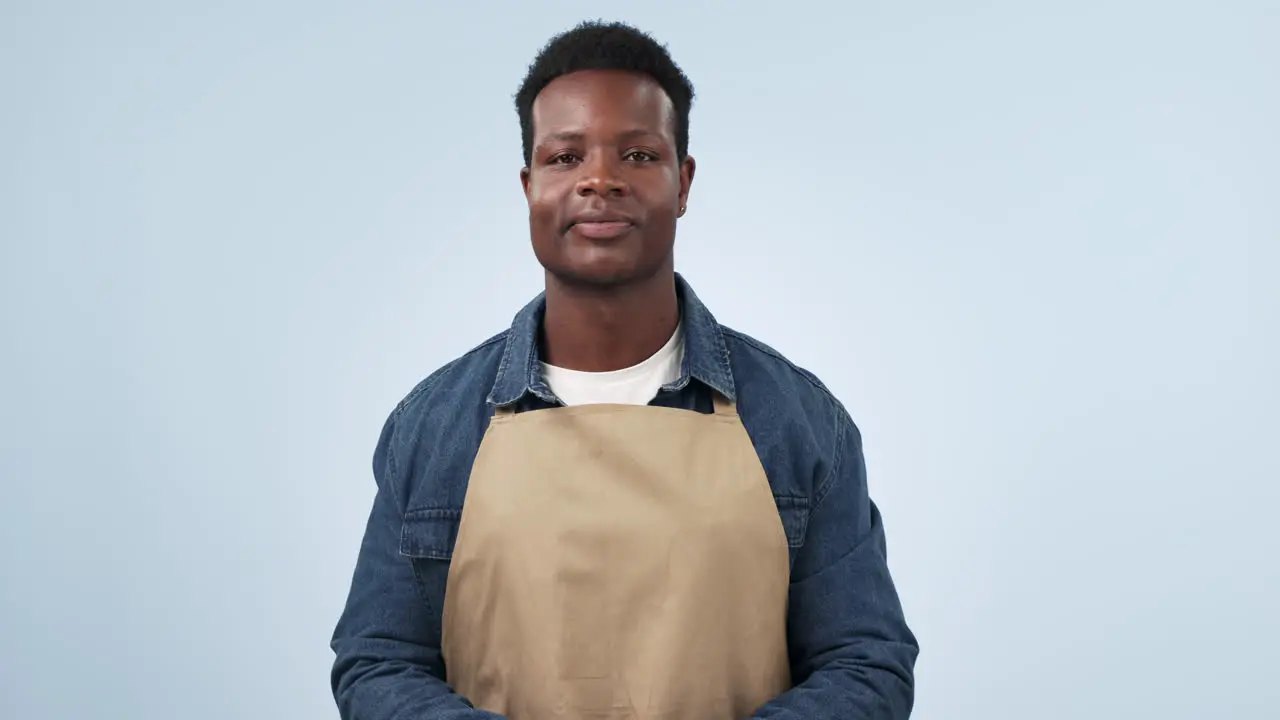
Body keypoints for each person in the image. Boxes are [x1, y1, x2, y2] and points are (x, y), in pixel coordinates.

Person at [330, 20, 918, 720]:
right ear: (529, 187)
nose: (600, 180)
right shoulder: (432, 427)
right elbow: (379, 662)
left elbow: (867, 662)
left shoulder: (798, 421)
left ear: (683, 181)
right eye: (565, 157)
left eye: (638, 155)